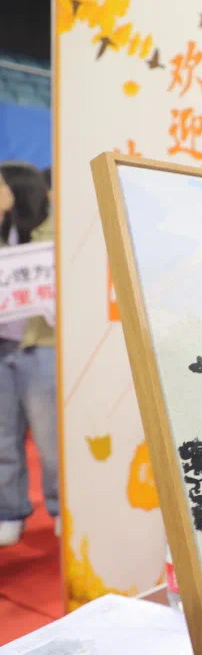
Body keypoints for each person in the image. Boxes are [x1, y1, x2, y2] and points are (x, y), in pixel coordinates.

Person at [0, 162, 54, 547]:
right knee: (3, 438)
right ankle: (9, 512)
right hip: (2, 347)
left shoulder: (51, 234)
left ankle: (61, 508)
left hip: (41, 345)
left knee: (51, 440)